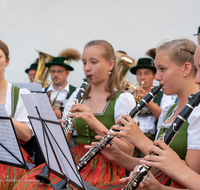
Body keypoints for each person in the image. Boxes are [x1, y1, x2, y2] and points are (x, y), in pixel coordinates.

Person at [12, 39, 136, 189]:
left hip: (107, 164)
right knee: (29, 186)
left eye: (94, 62)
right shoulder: (77, 95)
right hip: (75, 158)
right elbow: (64, 141)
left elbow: (128, 150)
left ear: (110, 64)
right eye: (84, 63)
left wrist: (95, 123)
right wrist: (58, 132)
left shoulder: (123, 99)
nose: (87, 68)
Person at [93, 38, 200, 189]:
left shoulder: (197, 113)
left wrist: (140, 139)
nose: (157, 77)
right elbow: (157, 165)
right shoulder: (168, 113)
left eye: (162, 69)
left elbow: (189, 175)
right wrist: (120, 157)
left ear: (186, 68)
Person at [0, 40, 34, 189]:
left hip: (11, 158)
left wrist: (4, 116)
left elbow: (26, 135)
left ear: (7, 61)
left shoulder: (20, 94)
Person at [129, 57, 173, 157]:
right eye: (139, 74)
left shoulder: (164, 96)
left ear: (154, 76)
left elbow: (166, 117)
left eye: (146, 73)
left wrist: (146, 99)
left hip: (152, 140)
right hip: (132, 139)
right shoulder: (130, 95)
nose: (142, 77)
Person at [44, 48, 80, 119]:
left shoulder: (77, 92)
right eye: (53, 71)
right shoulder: (42, 91)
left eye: (59, 71)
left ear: (67, 73)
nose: (56, 75)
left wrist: (61, 115)